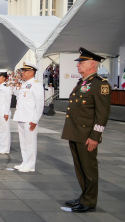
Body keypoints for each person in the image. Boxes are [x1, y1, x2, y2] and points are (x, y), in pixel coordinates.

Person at [62, 48, 111, 213]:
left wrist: (95, 136)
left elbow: (102, 114)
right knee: (79, 167)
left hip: (87, 135)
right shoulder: (82, 83)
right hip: (75, 132)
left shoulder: (100, 84)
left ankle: (89, 201)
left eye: (81, 62)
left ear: (92, 64)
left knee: (89, 169)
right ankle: (84, 196)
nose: (78, 65)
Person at [13, 61, 44, 173]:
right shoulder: (25, 84)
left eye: (25, 71)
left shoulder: (36, 84)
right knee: (23, 142)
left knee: (30, 142)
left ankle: (30, 164)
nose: (23, 73)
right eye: (22, 71)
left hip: (30, 119)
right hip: (22, 117)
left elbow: (39, 104)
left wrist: (35, 120)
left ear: (32, 72)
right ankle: (25, 161)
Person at [0, 70, 12, 154]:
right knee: (1, 130)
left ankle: (5, 148)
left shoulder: (6, 87)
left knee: (5, 131)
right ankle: (2, 146)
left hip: (4, 112)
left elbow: (8, 101)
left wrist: (6, 113)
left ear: (4, 78)